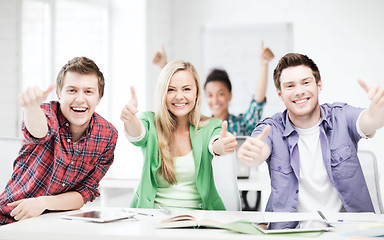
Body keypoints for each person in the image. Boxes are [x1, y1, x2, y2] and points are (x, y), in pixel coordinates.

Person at [237, 53, 384, 227]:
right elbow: (259, 148)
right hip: (291, 234)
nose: (299, 91)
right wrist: (254, 155)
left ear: (318, 85)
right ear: (280, 93)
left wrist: (379, 108)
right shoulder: (272, 127)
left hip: (348, 232)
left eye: (306, 82)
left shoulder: (341, 116)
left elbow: (371, 120)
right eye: (290, 86)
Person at [0, 57, 118, 225]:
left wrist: (44, 202)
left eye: (88, 91)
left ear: (99, 98)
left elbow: (85, 192)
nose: (79, 99)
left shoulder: (107, 135)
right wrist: (31, 108)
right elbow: (39, 131)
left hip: (57, 222)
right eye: (72, 90)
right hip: (10, 218)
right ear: (59, 95)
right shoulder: (48, 113)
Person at [120, 60, 237, 211]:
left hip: (198, 222)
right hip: (153, 220)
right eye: (171, 90)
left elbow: (215, 144)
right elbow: (138, 134)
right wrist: (130, 119)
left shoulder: (210, 126)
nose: (179, 96)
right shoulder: (149, 122)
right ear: (163, 93)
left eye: (186, 89)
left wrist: (223, 144)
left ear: (196, 93)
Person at [152, 41, 275, 136]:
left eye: (220, 94)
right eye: (210, 95)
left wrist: (264, 64)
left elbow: (257, 103)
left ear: (229, 95)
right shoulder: (199, 126)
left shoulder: (242, 124)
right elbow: (175, 108)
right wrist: (163, 66)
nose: (215, 100)